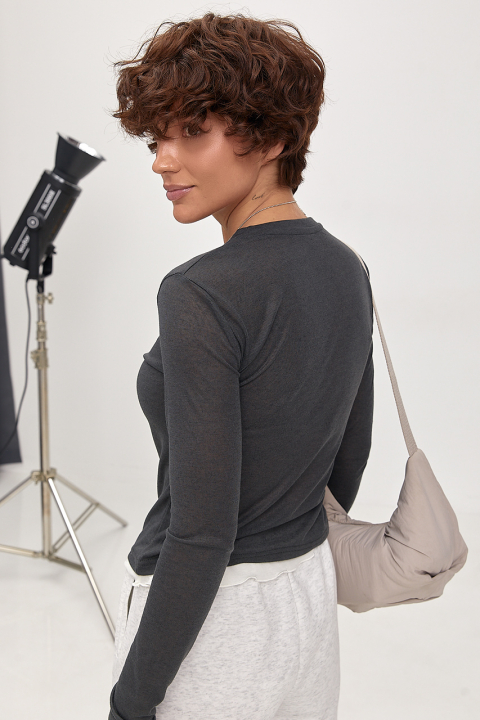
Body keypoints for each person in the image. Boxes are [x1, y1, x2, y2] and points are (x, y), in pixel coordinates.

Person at [109, 11, 373, 720]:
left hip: (209, 627)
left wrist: (132, 699)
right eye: (157, 137)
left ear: (274, 138)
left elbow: (201, 533)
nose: (162, 160)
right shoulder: (347, 268)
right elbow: (349, 456)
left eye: (192, 132)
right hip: (307, 600)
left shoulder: (201, 291)